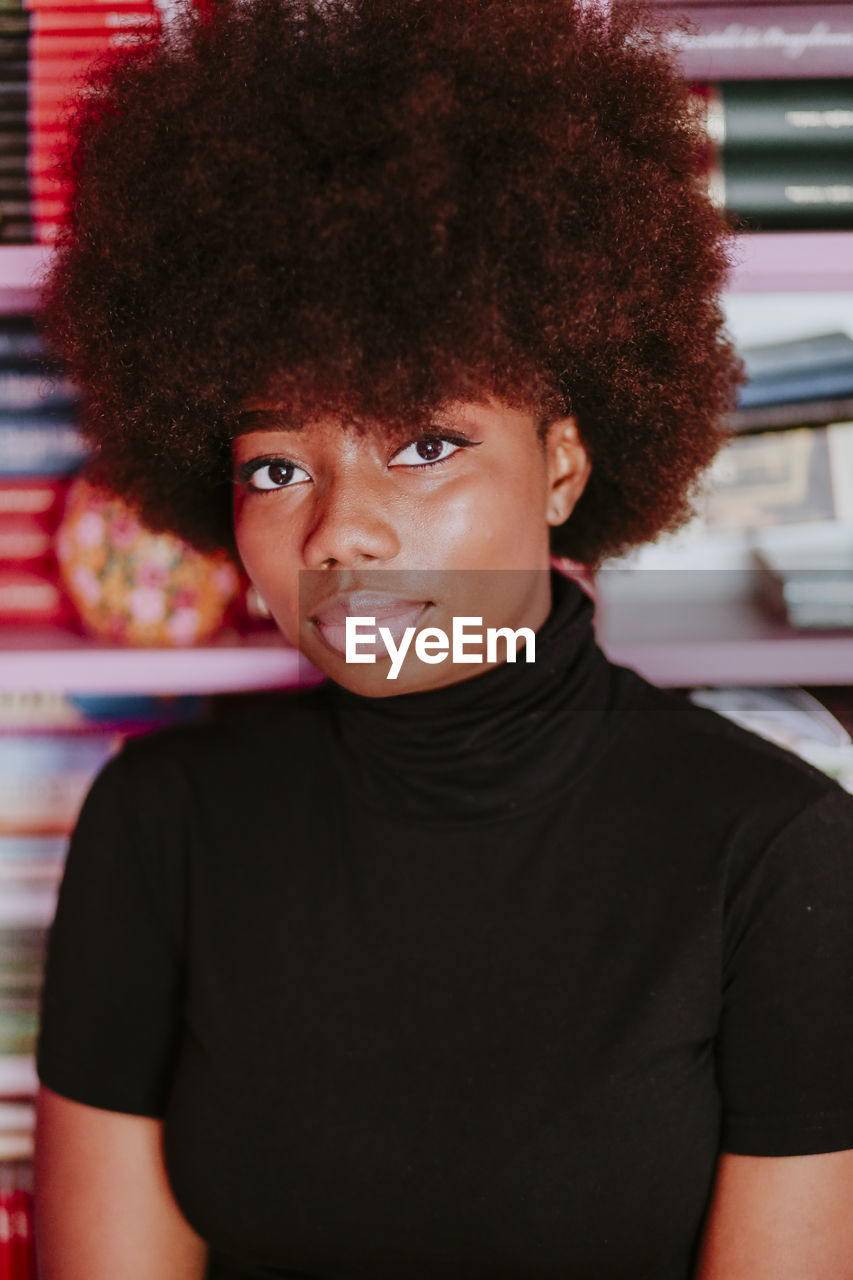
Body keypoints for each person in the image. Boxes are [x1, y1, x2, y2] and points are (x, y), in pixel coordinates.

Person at [32, 1, 853, 1277]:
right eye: (273, 466)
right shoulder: (161, 827)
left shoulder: (774, 854)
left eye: (425, 443)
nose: (341, 534)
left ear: (565, 462)